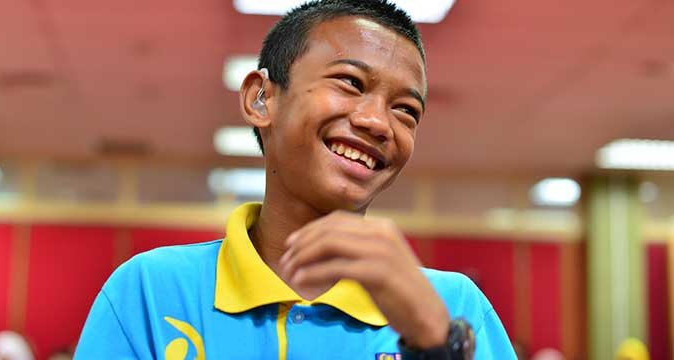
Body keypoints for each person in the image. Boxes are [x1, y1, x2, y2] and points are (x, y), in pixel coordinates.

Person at [75, 0, 515, 359]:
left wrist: (435, 344)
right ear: (261, 98)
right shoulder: (151, 292)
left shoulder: (455, 308)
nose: (378, 122)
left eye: (406, 110)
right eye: (350, 81)